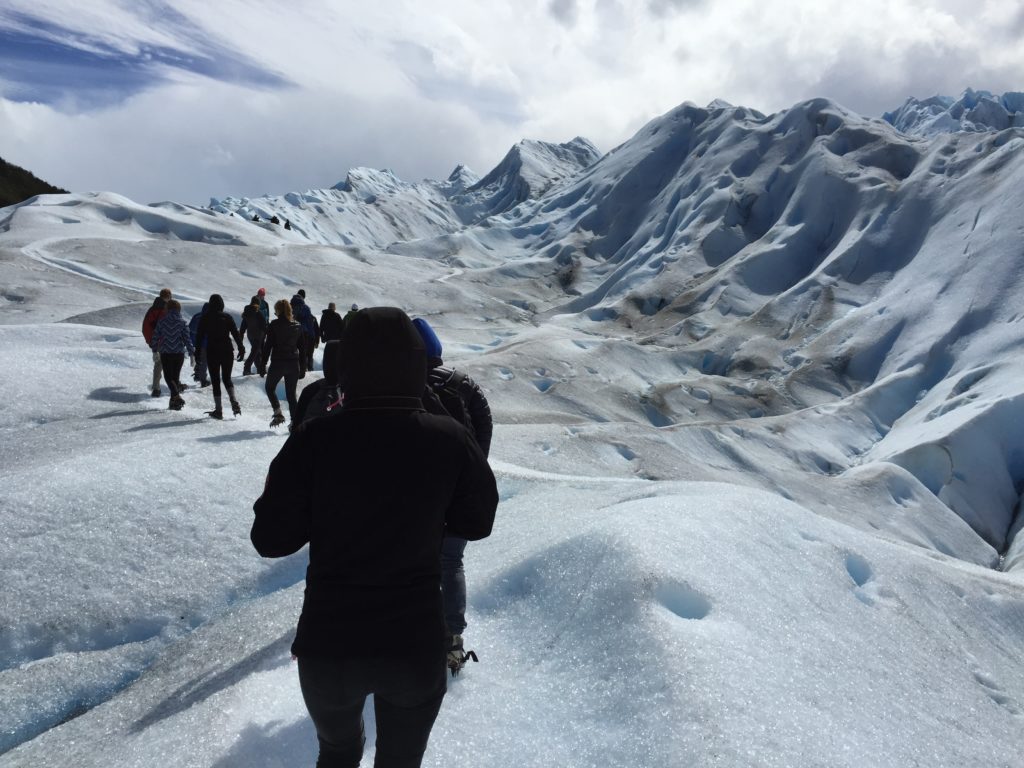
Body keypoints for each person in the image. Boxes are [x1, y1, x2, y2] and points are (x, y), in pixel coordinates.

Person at [251, 307, 498, 768]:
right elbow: (477, 522)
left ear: (347, 365)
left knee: (338, 754)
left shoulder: (312, 439)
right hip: (414, 641)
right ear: (415, 362)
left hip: (329, 644)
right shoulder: (447, 439)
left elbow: (271, 539)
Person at [412, 317, 494, 675]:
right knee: (451, 561)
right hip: (462, 490)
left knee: (416, 564)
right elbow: (486, 422)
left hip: (420, 496)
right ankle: (454, 641)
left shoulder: (403, 387)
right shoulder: (464, 385)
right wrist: (476, 467)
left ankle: (416, 634)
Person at [194, 293, 245, 419]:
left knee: (216, 380)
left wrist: (197, 353)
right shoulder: (227, 317)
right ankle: (234, 401)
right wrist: (241, 348)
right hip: (227, 351)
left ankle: (219, 410)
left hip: (212, 352)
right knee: (227, 378)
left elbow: (199, 337)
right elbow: (235, 334)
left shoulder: (205, 318)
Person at [262, 298, 305, 428]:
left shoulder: (274, 325)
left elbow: (268, 346)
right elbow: (302, 349)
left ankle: (278, 413)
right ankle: (295, 423)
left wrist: (262, 363)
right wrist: (303, 367)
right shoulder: (298, 326)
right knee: (291, 395)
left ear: (277, 311)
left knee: (269, 388)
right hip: (293, 364)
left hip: (278, 363)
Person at [150, 299, 195, 411]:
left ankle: (176, 396)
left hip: (166, 352)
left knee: (168, 377)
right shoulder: (183, 322)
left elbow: (155, 337)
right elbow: (187, 340)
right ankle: (174, 403)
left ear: (167, 309)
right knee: (175, 378)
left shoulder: (162, 321)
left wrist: (155, 350)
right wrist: (191, 354)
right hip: (179, 354)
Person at [142, 288, 172, 397]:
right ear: (168, 296)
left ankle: (156, 388)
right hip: (168, 342)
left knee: (158, 365)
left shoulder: (152, 309)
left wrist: (151, 341)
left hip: (157, 342)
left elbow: (146, 327)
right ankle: (174, 387)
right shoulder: (167, 309)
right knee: (171, 364)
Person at [291, 289, 319, 372]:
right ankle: (306, 369)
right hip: (304, 333)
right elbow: (309, 324)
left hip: (292, 331)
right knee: (305, 352)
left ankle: (294, 368)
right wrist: (312, 337)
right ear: (304, 297)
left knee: (294, 351)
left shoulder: (290, 305)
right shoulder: (305, 308)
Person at [240, 297, 268, 376]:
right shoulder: (258, 312)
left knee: (256, 352)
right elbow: (264, 326)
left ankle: (260, 369)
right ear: (258, 304)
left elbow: (242, 327)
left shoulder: (247, 312)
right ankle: (247, 367)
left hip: (250, 336)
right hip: (258, 336)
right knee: (255, 352)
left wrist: (241, 337)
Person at [189, 303, 211, 387]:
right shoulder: (209, 318)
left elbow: (190, 328)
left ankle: (198, 374)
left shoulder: (196, 316)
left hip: (195, 343)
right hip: (205, 343)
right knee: (204, 361)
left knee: (199, 358)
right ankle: (203, 380)